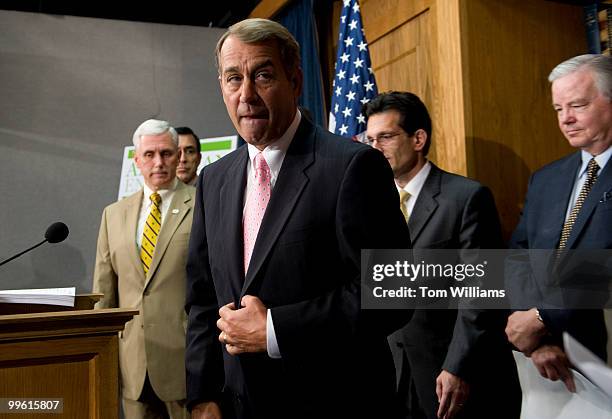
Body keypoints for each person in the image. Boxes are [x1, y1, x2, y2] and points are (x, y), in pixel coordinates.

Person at [184, 18, 411, 419]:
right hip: (237, 407)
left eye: (263, 75)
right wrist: (203, 395)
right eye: (233, 78)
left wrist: (274, 329)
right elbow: (203, 300)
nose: (246, 95)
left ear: (295, 78)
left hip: (332, 402)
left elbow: (392, 296)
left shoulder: (354, 166)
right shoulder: (212, 181)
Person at [364, 91, 520, 419]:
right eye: (370, 139)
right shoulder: (371, 206)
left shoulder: (466, 198)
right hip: (395, 374)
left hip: (456, 376)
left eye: (386, 137)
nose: (375, 148)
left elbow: (482, 294)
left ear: (418, 138)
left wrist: (457, 367)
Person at [505, 54, 612, 392]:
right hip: (547, 363)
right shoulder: (546, 179)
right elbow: (518, 256)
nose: (566, 119)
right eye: (558, 109)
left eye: (577, 105)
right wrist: (538, 338)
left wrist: (541, 318)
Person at [93, 119, 195, 419]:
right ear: (136, 160)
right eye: (149, 155)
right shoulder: (113, 215)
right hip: (133, 365)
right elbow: (104, 293)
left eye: (166, 153)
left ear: (179, 156)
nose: (158, 162)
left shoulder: (202, 205)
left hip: (185, 362)